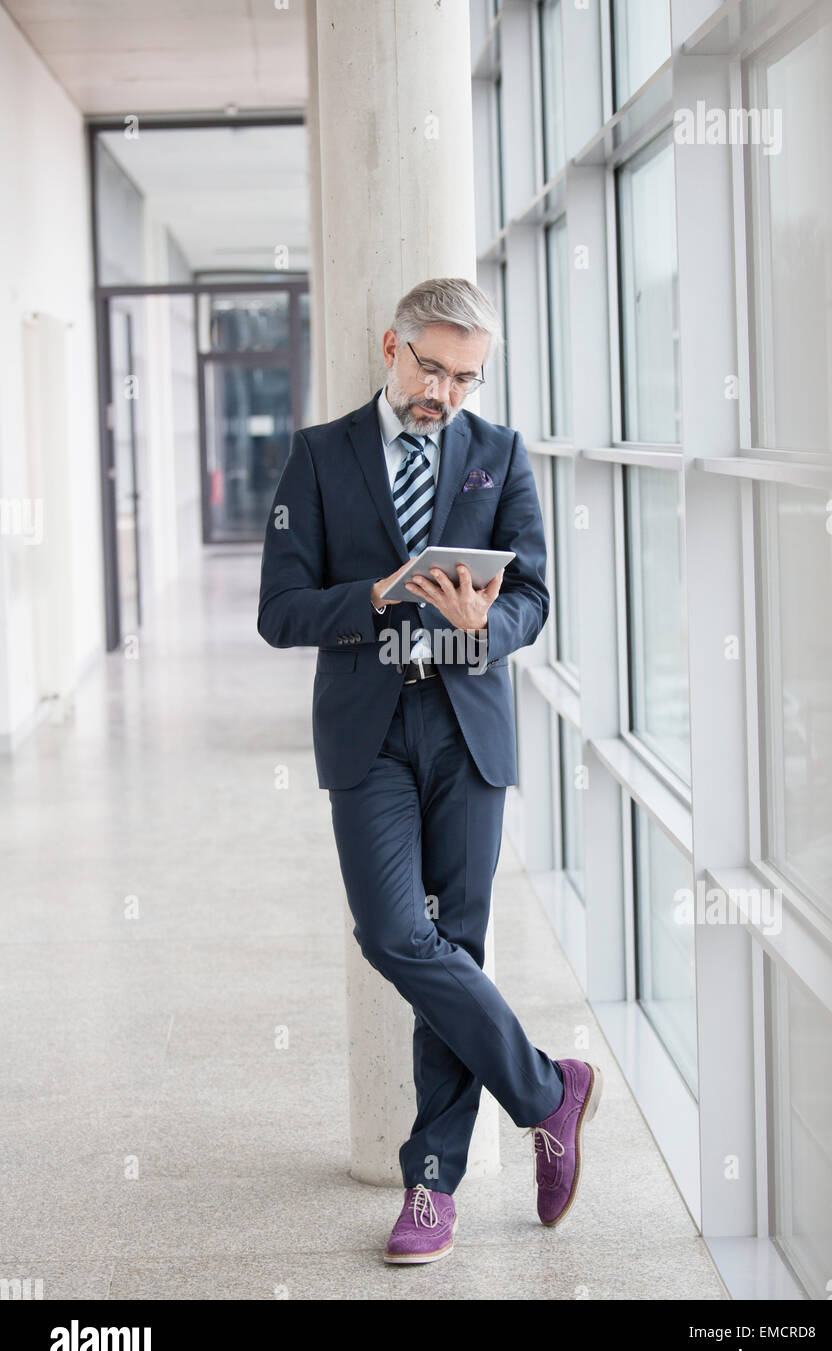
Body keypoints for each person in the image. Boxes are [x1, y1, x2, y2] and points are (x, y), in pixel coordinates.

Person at [257, 277, 602, 1264]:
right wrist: (370, 595)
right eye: (432, 368)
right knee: (395, 933)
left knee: (460, 944)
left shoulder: (497, 454)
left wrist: (482, 625)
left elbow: (534, 595)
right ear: (390, 346)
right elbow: (279, 611)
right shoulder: (321, 457)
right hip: (369, 732)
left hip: (467, 728)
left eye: (465, 377)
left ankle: (431, 1185)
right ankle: (548, 1090)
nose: (444, 392)